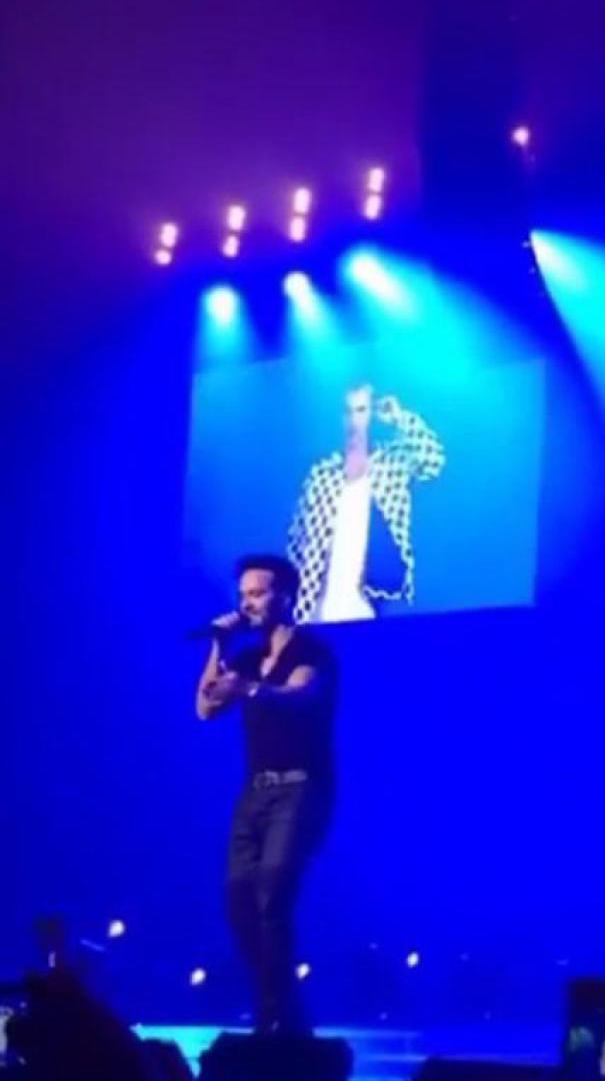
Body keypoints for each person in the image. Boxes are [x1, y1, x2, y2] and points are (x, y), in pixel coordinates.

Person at [196, 553, 337, 1034]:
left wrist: (250, 689)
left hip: (301, 789)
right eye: (244, 595)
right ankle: (281, 1006)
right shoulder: (247, 659)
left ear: (286, 596)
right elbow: (205, 708)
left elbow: (300, 696)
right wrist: (219, 645)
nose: (248, 604)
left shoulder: (312, 652)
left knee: (272, 896)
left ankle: (275, 1014)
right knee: (238, 903)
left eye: (257, 593)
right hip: (254, 793)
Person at [288, 382, 446, 624]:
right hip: (317, 612)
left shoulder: (392, 463)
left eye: (361, 410)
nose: (354, 420)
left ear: (373, 414)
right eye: (348, 411)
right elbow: (297, 541)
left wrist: (399, 416)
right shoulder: (321, 473)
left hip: (373, 606)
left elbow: (432, 460)